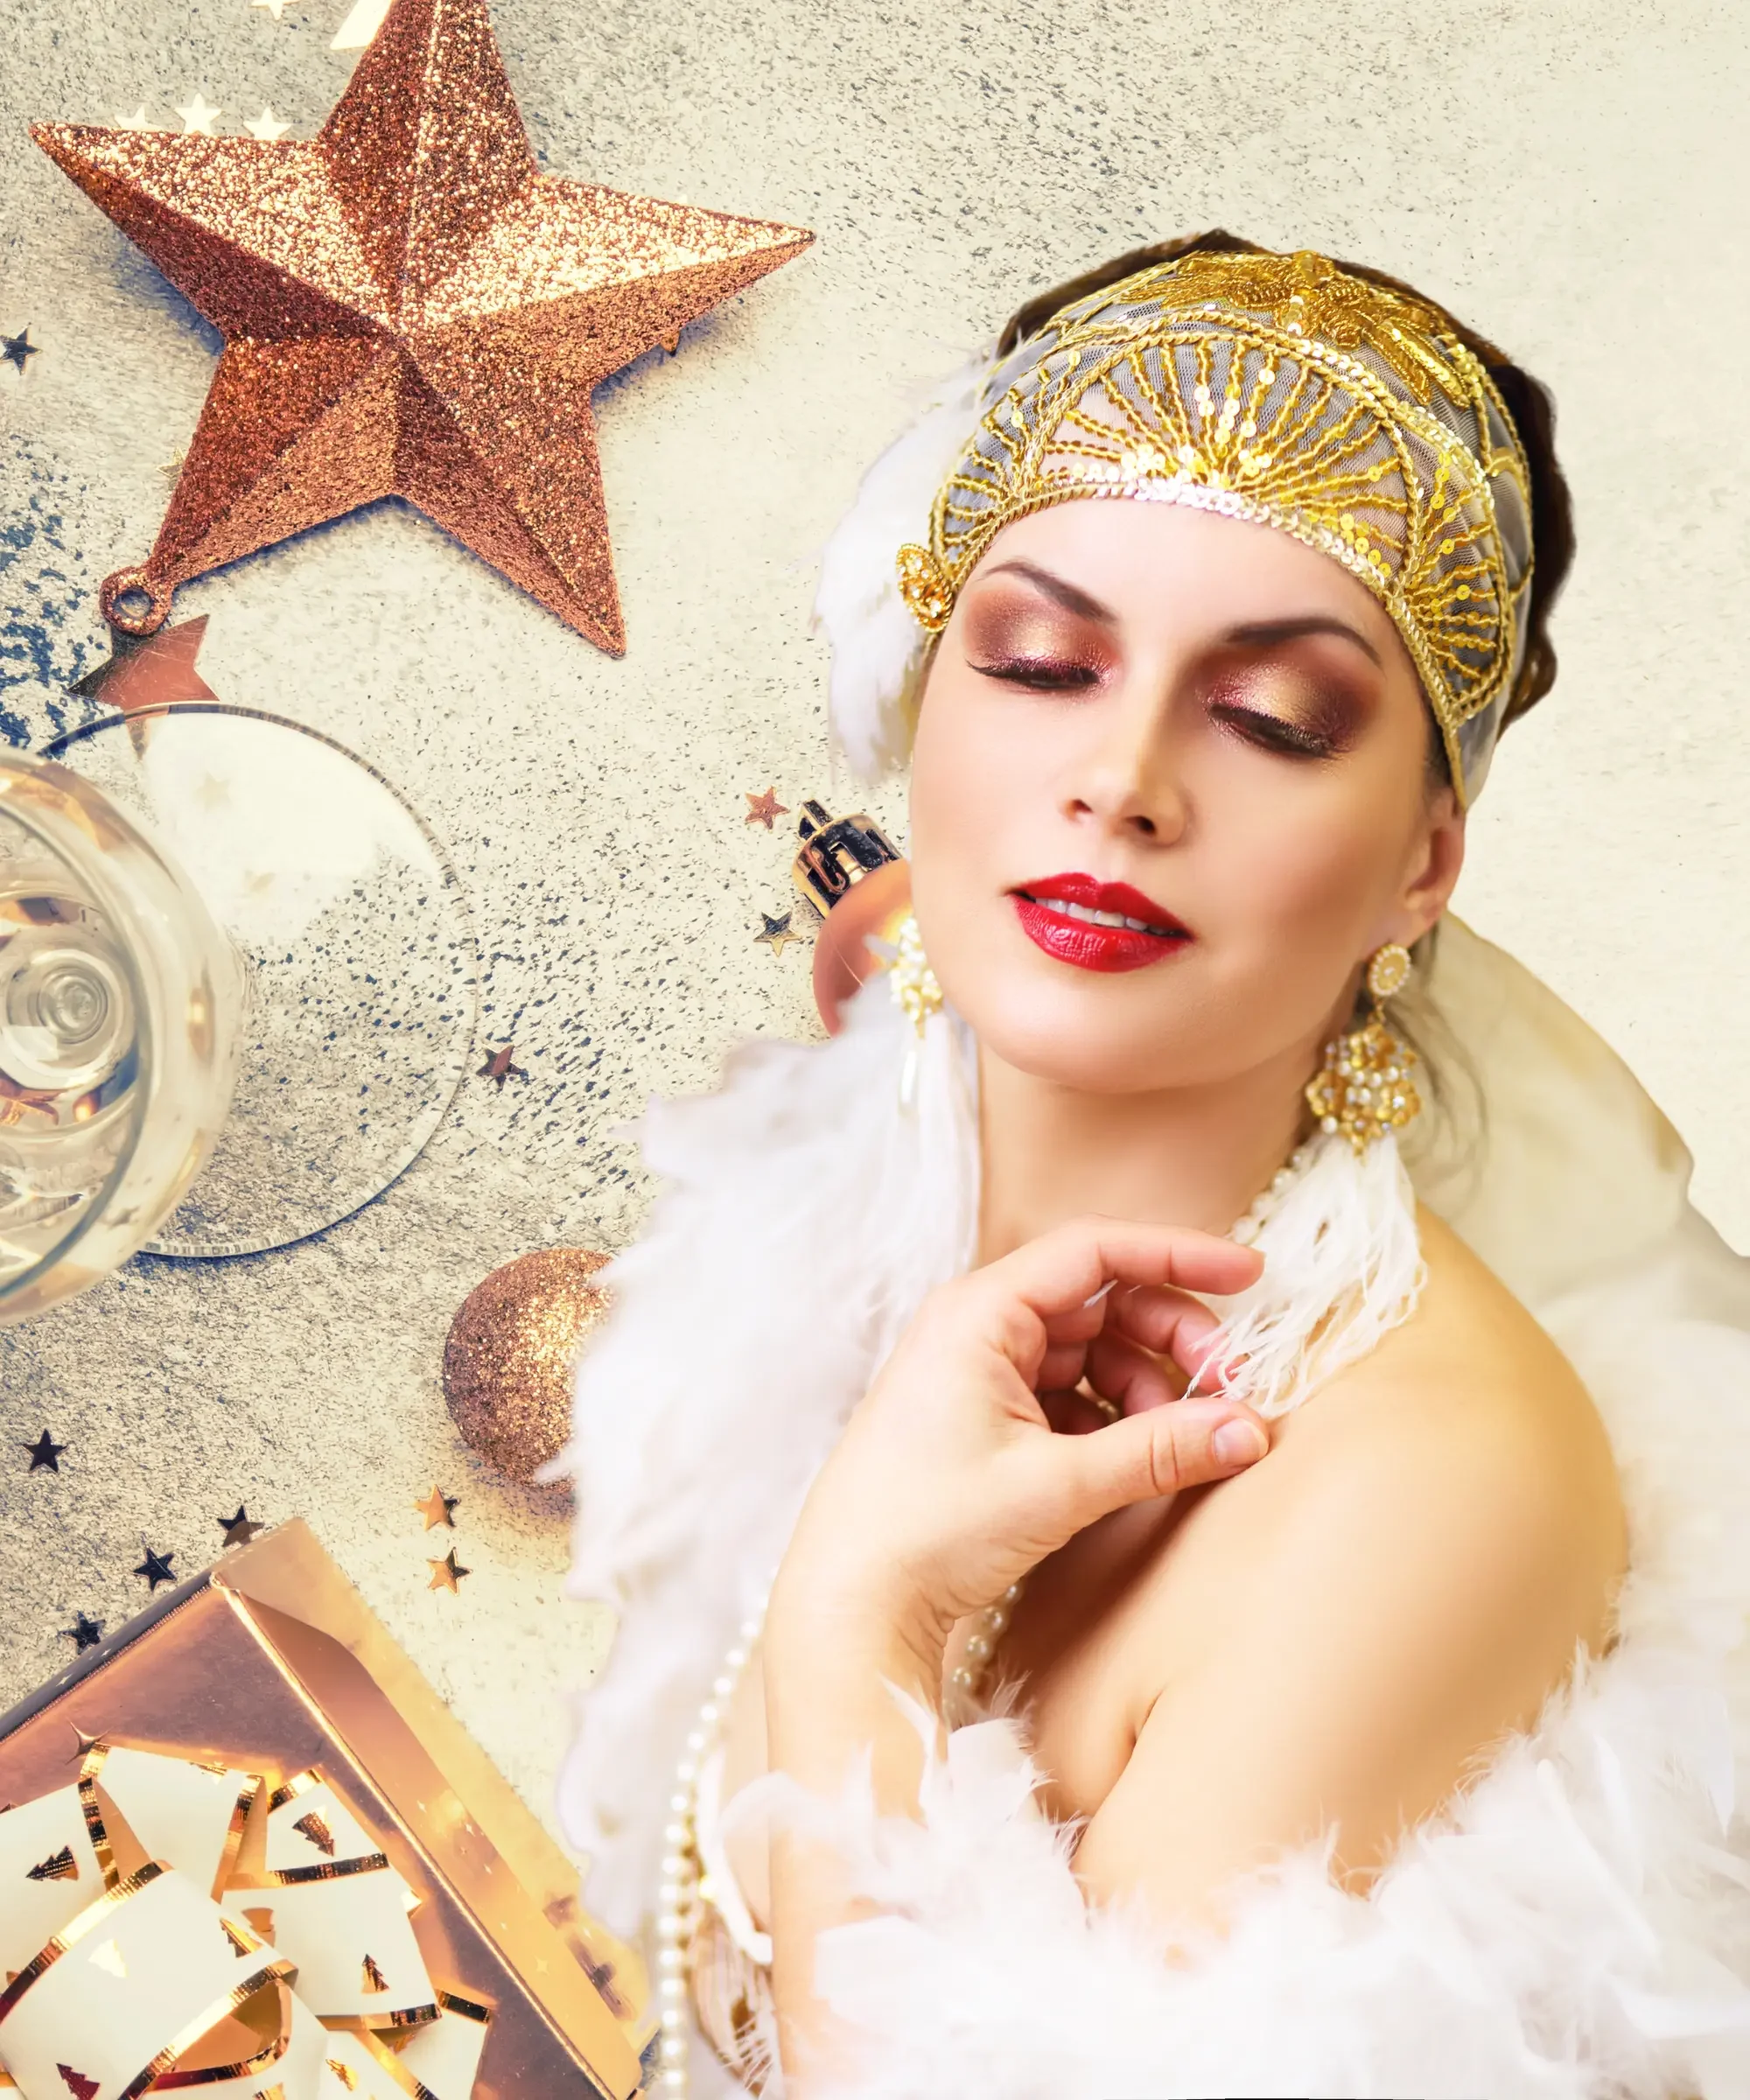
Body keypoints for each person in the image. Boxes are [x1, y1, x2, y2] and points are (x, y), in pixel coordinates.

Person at [556, 234, 1750, 2099]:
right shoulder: (887, 1104)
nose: (1119, 779)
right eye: (1038, 664)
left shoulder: (1426, 1495)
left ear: (1424, 867)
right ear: (925, 711)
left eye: (1275, 720)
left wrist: (858, 1619)